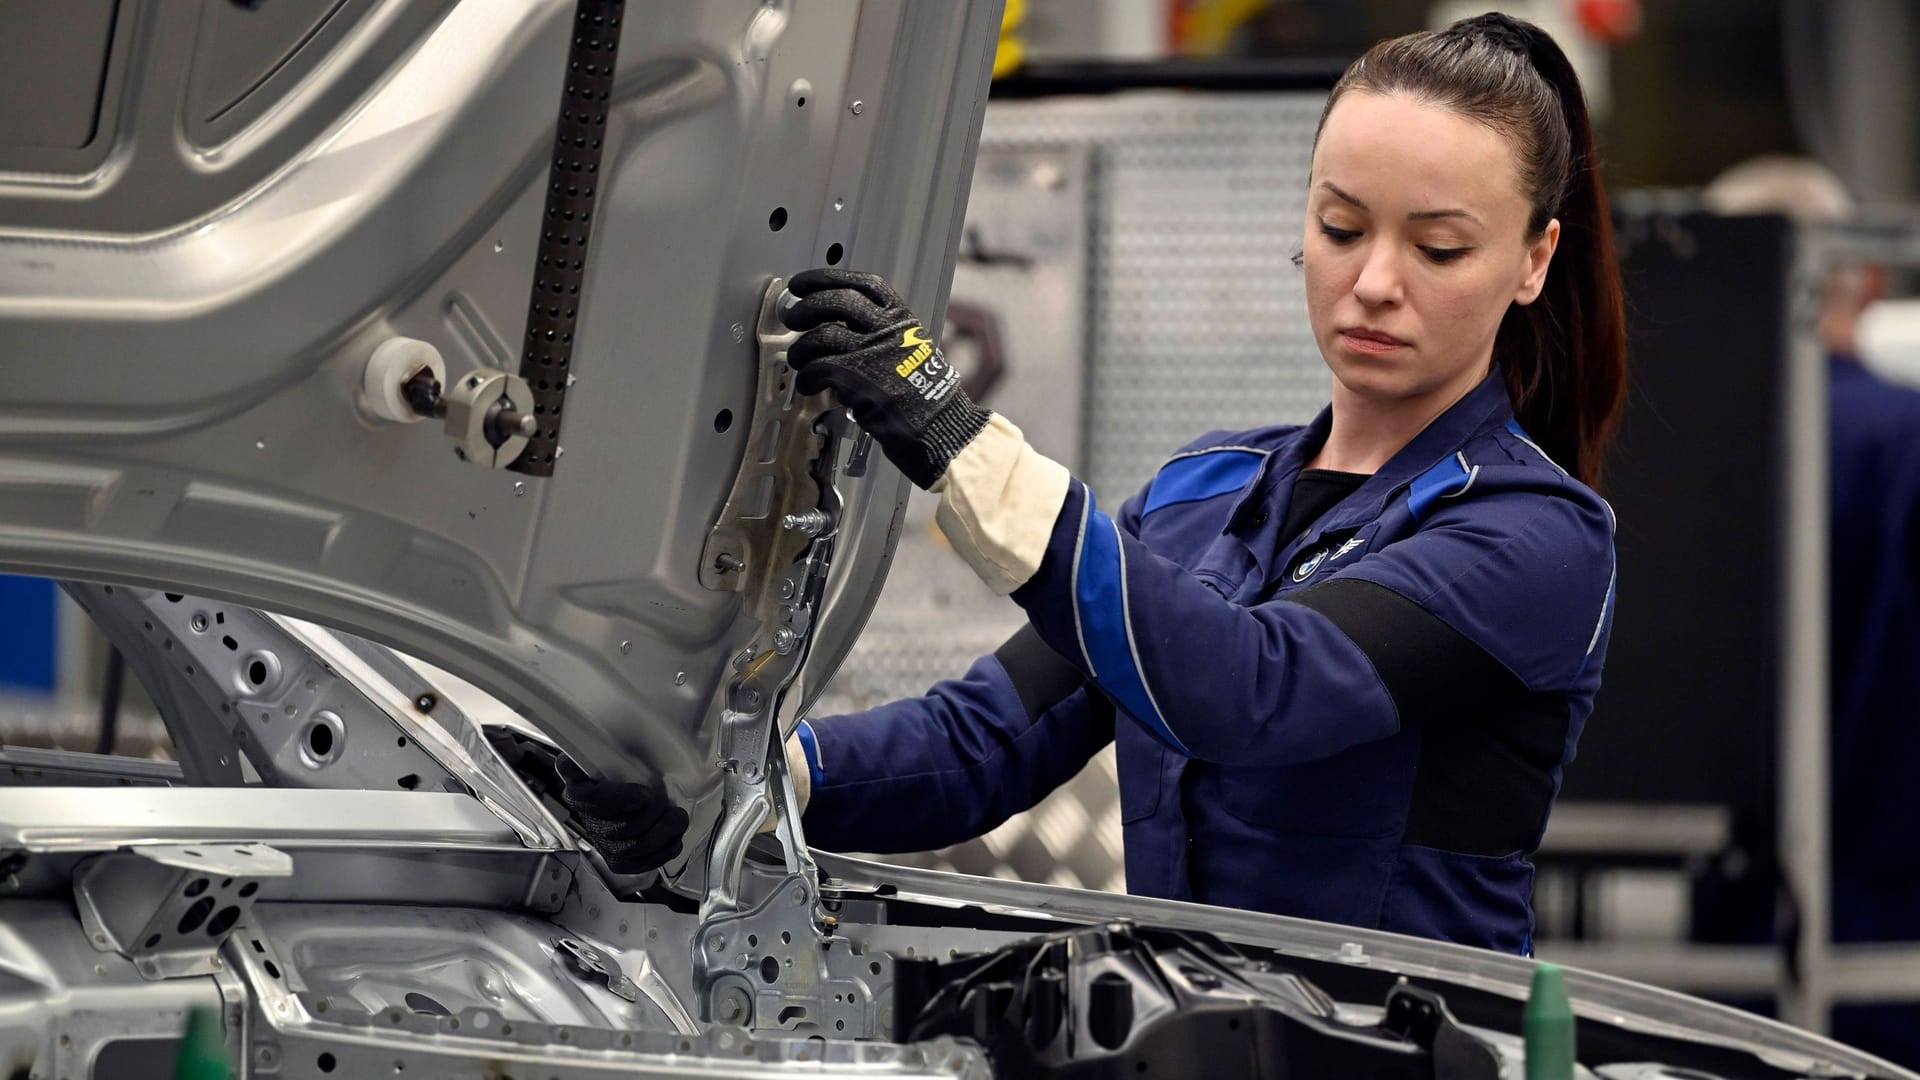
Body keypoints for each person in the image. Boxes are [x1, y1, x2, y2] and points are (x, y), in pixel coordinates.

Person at [764, 11, 1625, 955]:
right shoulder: (1199, 492)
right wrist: (763, 783)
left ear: (1533, 260)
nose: (1375, 280)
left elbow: (1253, 690)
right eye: (1341, 226)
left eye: (1439, 248)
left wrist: (956, 438)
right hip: (1180, 1039)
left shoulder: (1535, 534)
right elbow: (982, 742)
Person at [1703, 156, 1920, 1067]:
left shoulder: (1664, 455)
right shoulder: (1901, 439)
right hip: (1883, 925)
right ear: (1862, 276)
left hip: (1710, 925)